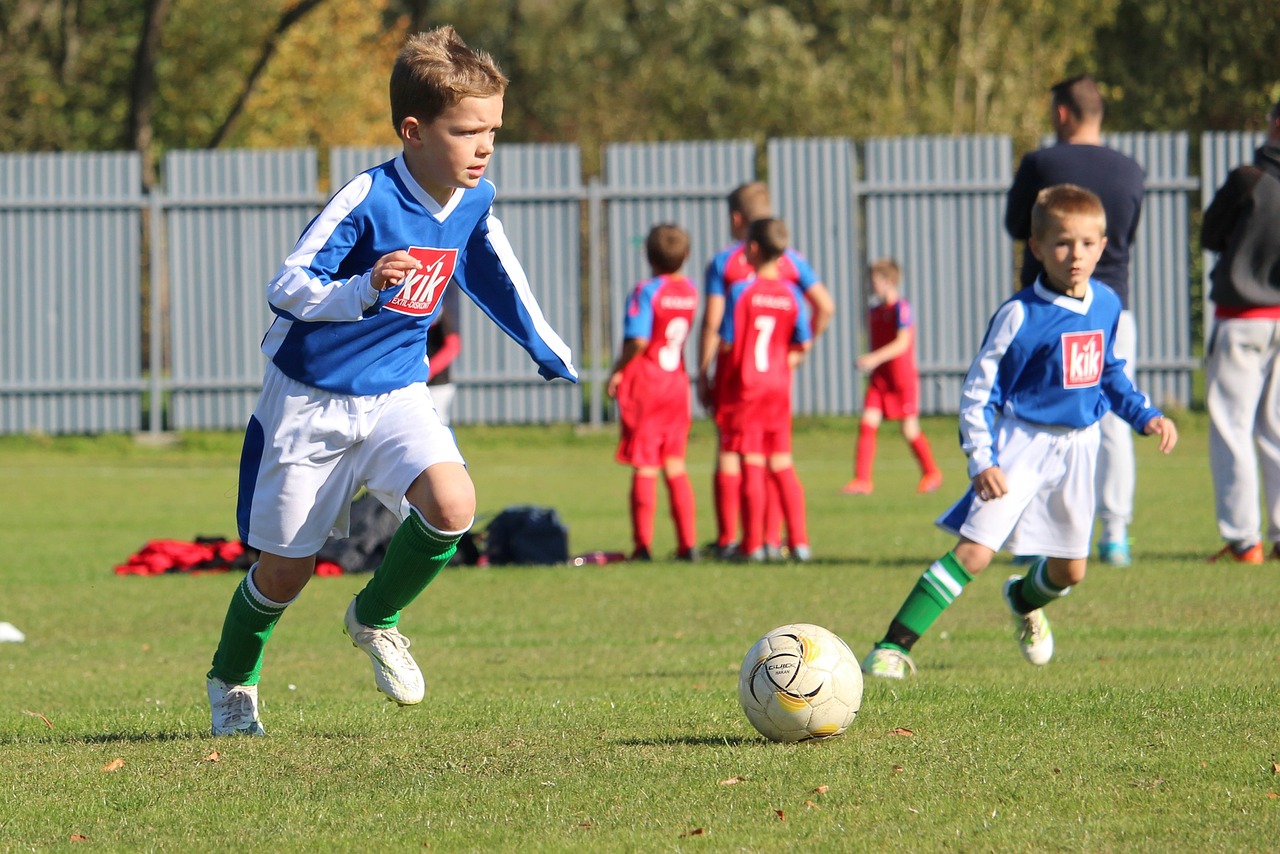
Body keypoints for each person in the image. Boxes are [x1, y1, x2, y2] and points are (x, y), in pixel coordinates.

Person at [206, 27, 577, 736]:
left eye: (492, 129)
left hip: (398, 392)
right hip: (310, 400)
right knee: (285, 573)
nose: (485, 146)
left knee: (452, 502)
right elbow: (287, 286)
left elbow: (493, 268)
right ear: (413, 130)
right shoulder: (366, 198)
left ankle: (375, 618)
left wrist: (545, 345)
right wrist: (362, 291)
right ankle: (232, 678)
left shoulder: (473, 198)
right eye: (468, 130)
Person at [861, 185, 1177, 680]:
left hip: (1079, 447)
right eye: (1062, 243)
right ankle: (891, 647)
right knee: (974, 552)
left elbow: (1110, 373)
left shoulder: (1108, 303)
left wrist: (1146, 415)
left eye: (1088, 244)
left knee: (1070, 571)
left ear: (1104, 244)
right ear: (1036, 247)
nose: (1076, 256)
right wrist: (982, 459)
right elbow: (978, 391)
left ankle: (1022, 597)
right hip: (1019, 443)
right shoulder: (1020, 314)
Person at [1005, 74, 1145, 567]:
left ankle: (1028, 536)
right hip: (1111, 310)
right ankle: (1115, 533)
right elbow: (1123, 237)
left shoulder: (1042, 163)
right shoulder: (1131, 170)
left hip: (1045, 314)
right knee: (1111, 422)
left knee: (1028, 417)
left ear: (1062, 113)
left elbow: (1016, 226)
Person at [697, 182, 834, 558]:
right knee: (779, 456)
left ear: (737, 219)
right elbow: (824, 306)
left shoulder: (729, 264)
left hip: (740, 375)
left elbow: (714, 323)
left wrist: (703, 372)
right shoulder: (792, 264)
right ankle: (784, 539)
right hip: (777, 373)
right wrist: (794, 355)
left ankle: (736, 539)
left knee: (737, 453)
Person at [1200, 98, 1280, 564]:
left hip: (1242, 317)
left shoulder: (1247, 179)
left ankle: (1242, 540)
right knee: (1276, 430)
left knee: (1233, 429)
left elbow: (1211, 236)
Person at [716, 217, 814, 562]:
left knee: (753, 463)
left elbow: (727, 344)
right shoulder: (791, 295)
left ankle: (753, 545)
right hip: (778, 386)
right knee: (783, 461)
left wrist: (717, 381)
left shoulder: (741, 291)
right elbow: (802, 341)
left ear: (752, 249)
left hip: (748, 387)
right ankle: (799, 542)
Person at [606, 223, 699, 562]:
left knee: (645, 465)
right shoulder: (690, 291)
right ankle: (688, 544)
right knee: (675, 464)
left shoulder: (646, 290)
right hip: (677, 384)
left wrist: (618, 368)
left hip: (647, 384)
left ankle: (643, 546)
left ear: (647, 256)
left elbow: (640, 339)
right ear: (685, 256)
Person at [842, 258, 943, 496]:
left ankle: (931, 473)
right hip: (880, 380)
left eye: (874, 280)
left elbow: (902, 343)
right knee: (867, 423)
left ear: (888, 281)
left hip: (901, 380)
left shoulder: (902, 308)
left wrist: (874, 358)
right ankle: (862, 480)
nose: (871, 285)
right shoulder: (874, 311)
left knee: (909, 430)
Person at [426, 299, 461, 425]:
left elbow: (453, 346)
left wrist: (427, 372)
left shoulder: (444, 308)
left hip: (438, 385)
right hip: (417, 382)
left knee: (435, 428)